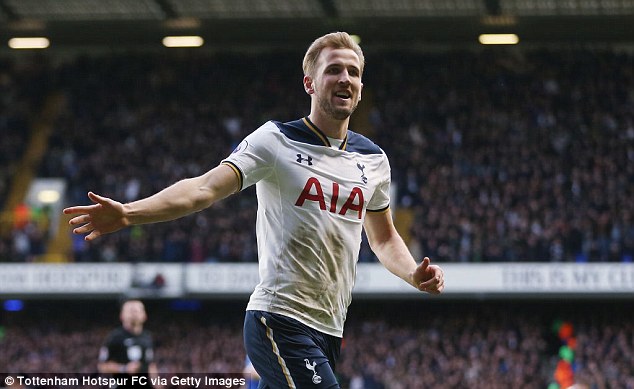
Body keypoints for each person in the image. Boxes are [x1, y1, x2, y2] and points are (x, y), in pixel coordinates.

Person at [64, 31, 445, 388]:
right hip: (278, 318)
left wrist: (412, 273)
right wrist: (130, 213)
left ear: (361, 88)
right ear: (309, 83)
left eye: (354, 72)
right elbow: (204, 188)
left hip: (330, 327)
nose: (345, 78)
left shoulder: (374, 160)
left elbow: (383, 237)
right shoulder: (275, 140)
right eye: (333, 70)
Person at [97, 299, 159, 387]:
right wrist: (124, 368)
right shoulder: (115, 337)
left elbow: (150, 365)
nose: (134, 313)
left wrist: (157, 384)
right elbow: (102, 366)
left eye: (137, 310)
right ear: (121, 316)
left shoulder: (148, 337)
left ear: (144, 315)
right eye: (130, 310)